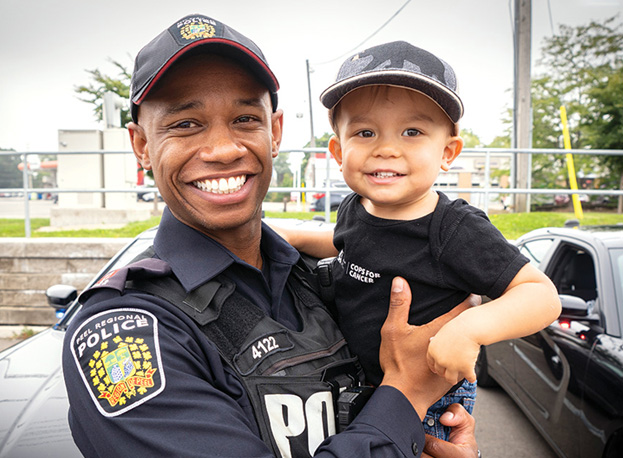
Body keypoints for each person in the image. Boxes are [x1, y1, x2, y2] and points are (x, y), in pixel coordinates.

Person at [61, 14, 479, 458]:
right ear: (141, 145)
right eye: (185, 124)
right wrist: (408, 394)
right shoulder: (126, 330)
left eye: (244, 119)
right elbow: (400, 393)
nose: (223, 149)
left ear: (274, 132)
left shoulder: (327, 276)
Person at [274, 41, 562, 440]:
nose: (387, 148)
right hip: (360, 389)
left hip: (429, 404)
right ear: (339, 152)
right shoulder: (356, 207)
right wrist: (288, 233)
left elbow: (541, 296)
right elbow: (343, 243)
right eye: (365, 131)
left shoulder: (453, 228)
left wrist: (469, 331)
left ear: (447, 152)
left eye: (412, 132)